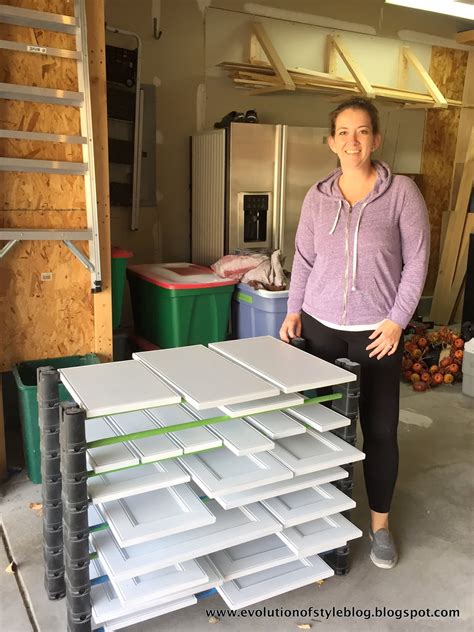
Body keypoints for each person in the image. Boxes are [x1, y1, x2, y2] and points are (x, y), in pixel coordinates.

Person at [279, 97, 430, 569]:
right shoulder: (316, 197)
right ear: (331, 141)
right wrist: (292, 310)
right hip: (322, 328)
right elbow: (303, 259)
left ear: (376, 139)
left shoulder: (402, 192)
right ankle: (327, 515)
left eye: (362, 131)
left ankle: (379, 527)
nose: (352, 141)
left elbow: (418, 260)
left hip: (377, 333)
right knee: (326, 429)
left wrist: (397, 319)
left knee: (380, 430)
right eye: (343, 132)